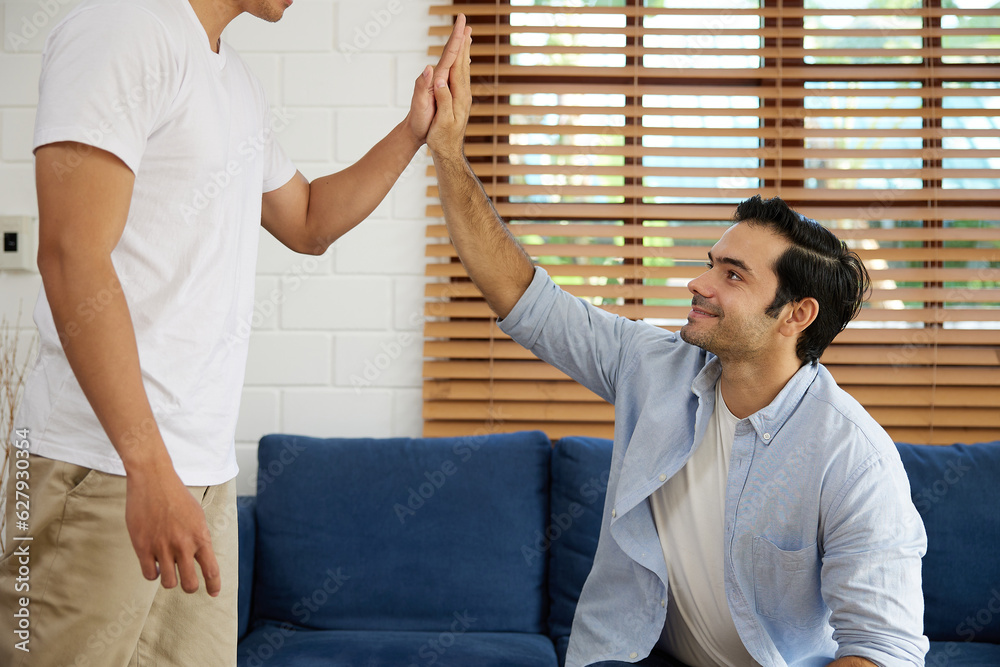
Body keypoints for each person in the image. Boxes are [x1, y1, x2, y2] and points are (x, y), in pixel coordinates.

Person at [424, 32, 928, 667]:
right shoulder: (652, 364)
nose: (699, 282)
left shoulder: (852, 457)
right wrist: (446, 150)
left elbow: (884, 649)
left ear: (795, 316)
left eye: (733, 275)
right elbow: (524, 297)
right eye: (710, 263)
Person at [0, 0, 472, 664]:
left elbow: (308, 220)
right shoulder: (122, 29)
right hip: (100, 466)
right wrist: (149, 467)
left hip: (199, 478)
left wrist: (413, 130)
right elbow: (71, 254)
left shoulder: (234, 84)